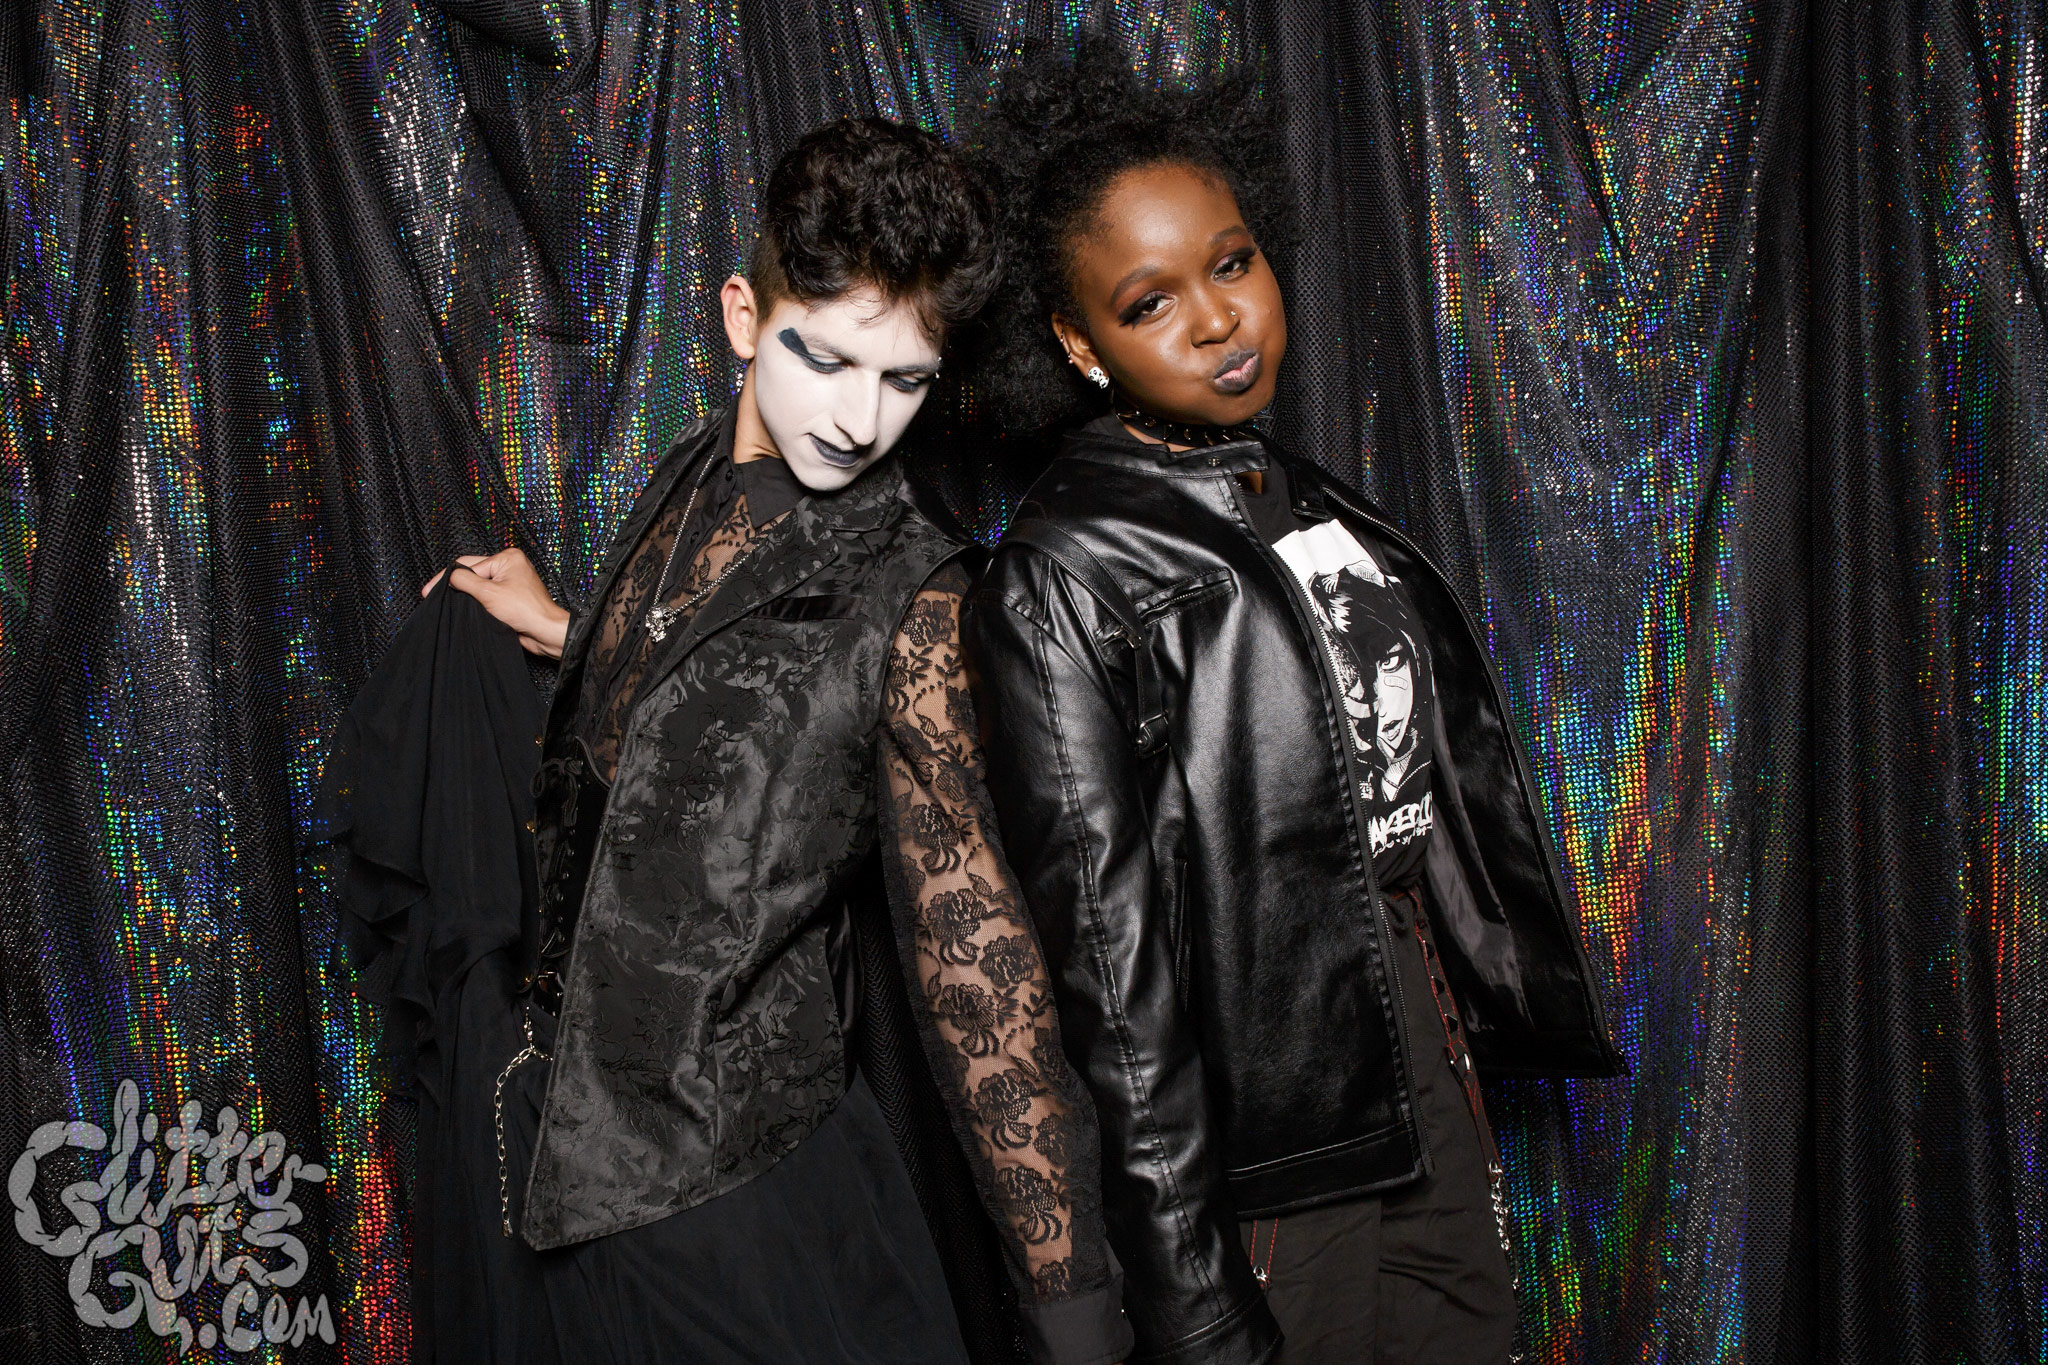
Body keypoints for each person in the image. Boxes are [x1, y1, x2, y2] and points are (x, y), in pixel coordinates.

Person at [376, 117, 1131, 1365]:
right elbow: (722, 704)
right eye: (823, 357)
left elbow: (977, 966)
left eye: (903, 380)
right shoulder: (689, 484)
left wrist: (1074, 1309)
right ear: (742, 317)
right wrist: (571, 632)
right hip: (558, 1180)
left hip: (742, 1212)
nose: (859, 417)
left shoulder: (917, 599)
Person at [957, 40, 1622, 1365]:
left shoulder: (1301, 497)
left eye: (1232, 263)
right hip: (1262, 1144)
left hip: (1414, 1067)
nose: (1218, 320)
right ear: (1078, 344)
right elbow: (1109, 975)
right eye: (1149, 302)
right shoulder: (1061, 575)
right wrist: (1189, 1286)